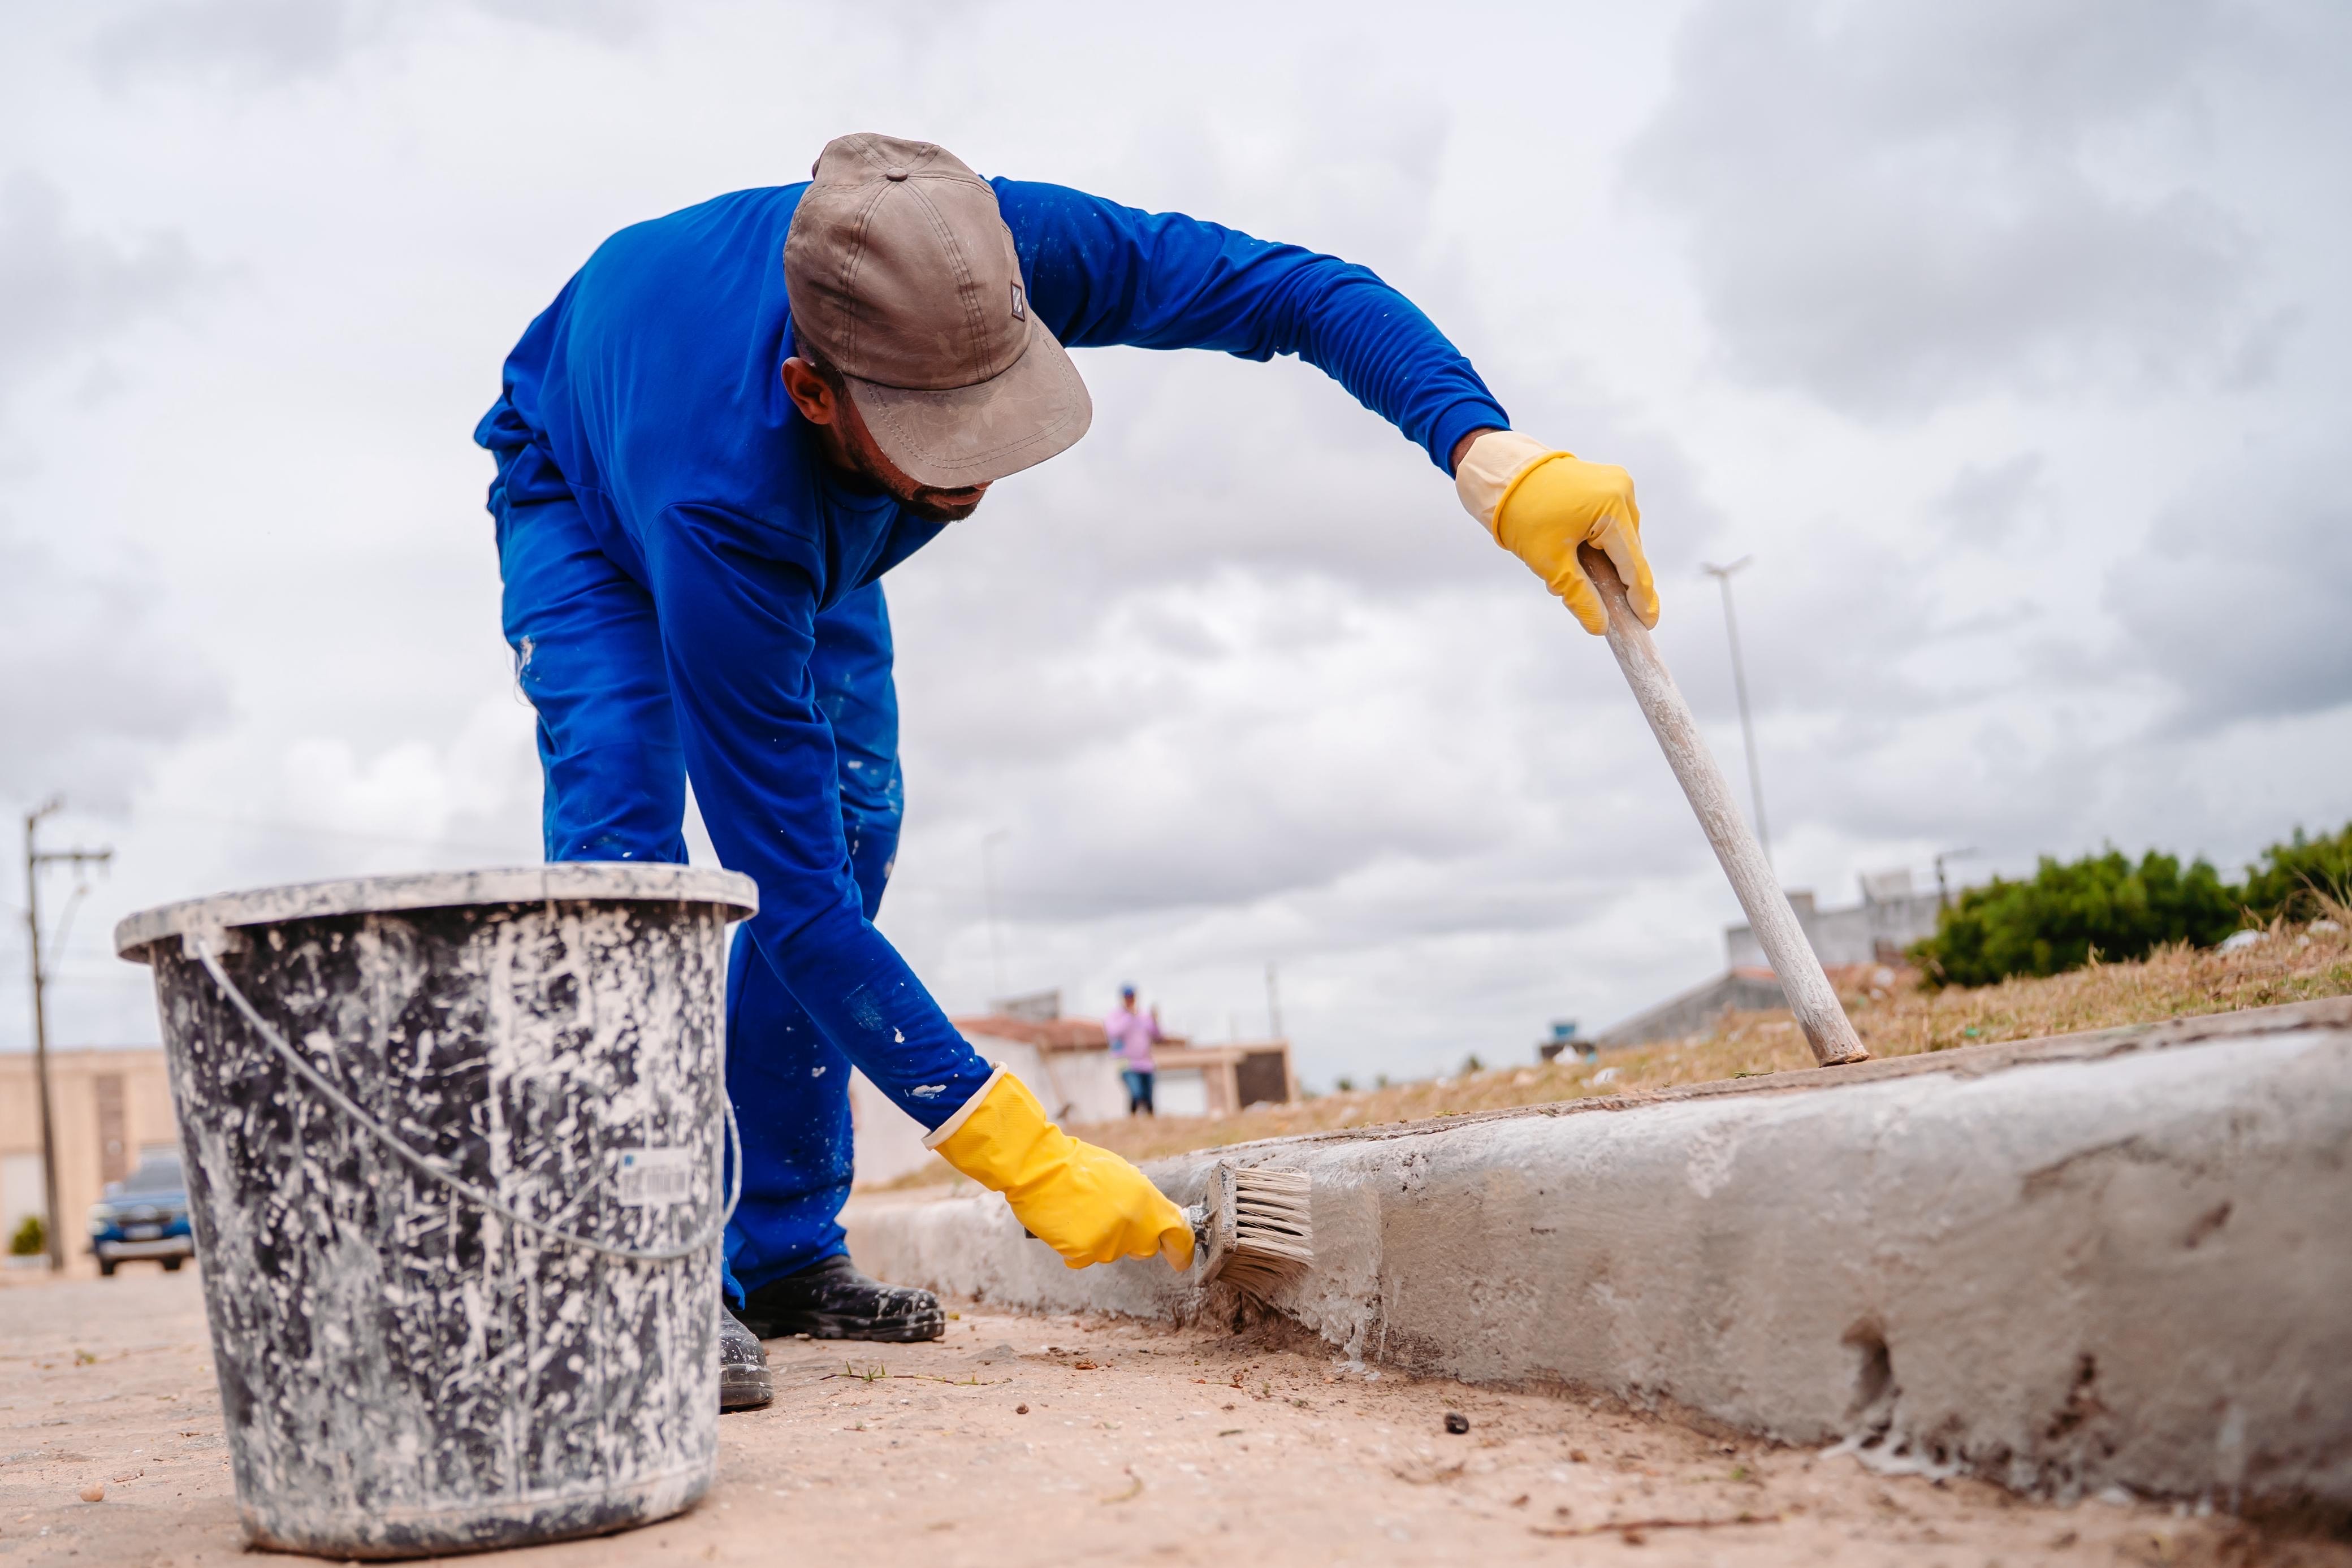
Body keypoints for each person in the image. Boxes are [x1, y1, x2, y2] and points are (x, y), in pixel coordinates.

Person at [475, 133, 1658, 1413]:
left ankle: (782, 1250)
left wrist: (1483, 450)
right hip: (589, 489)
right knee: (627, 869)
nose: (983, 465)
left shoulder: (986, 254)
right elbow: (787, 892)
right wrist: (1021, 1150)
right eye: (942, 434)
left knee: (858, 825)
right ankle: (647, 1273)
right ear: (816, 393)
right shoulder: (720, 507)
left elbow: (1295, 293)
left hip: (814, 506)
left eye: (1001, 409)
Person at [1104, 986, 1162, 1116]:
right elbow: (1113, 1033)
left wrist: (1155, 1021)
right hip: (1127, 1063)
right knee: (1136, 1093)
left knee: (1148, 1097)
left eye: (1132, 997)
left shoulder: (1144, 1016)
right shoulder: (1115, 1017)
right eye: (1127, 998)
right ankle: (1133, 1118)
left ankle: (1150, 1121)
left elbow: (1158, 1036)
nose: (1130, 1000)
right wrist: (1129, 1017)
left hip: (1146, 1063)